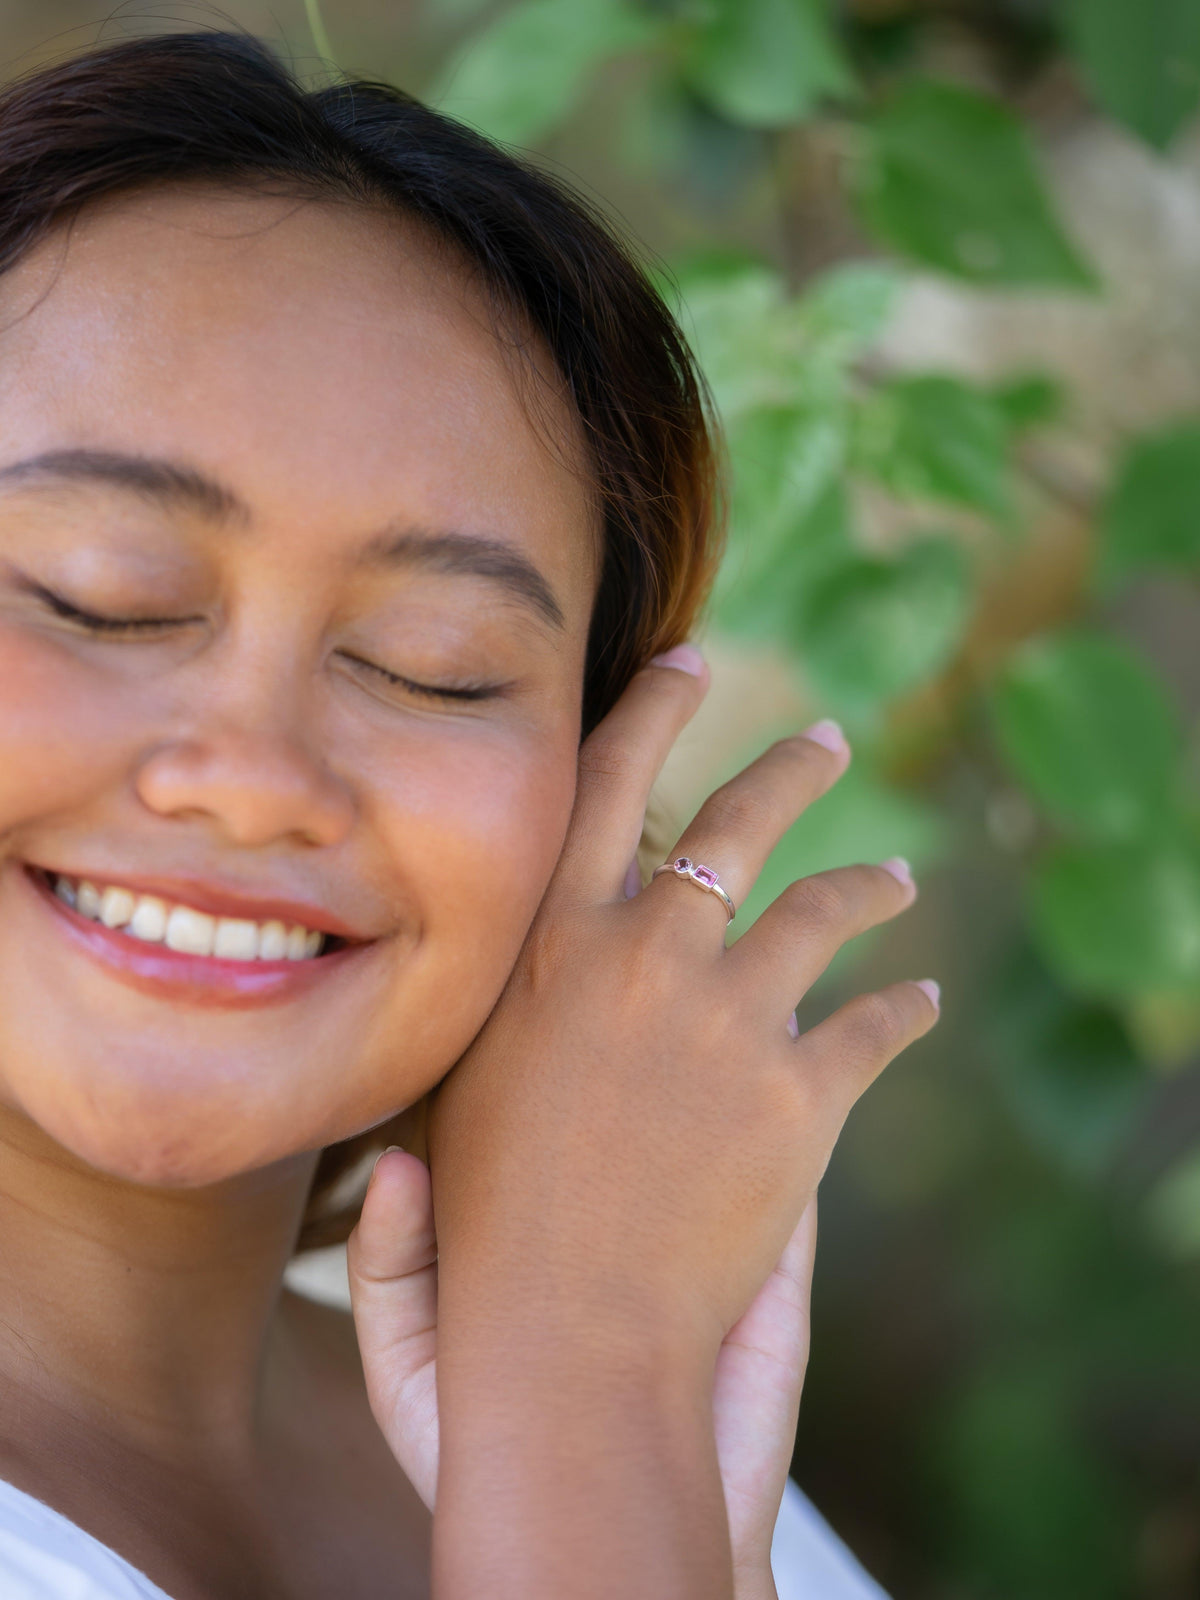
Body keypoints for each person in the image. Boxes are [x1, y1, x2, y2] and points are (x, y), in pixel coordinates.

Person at [0, 29, 939, 1600]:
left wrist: (585, 1383)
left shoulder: (690, 1461)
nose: (251, 775)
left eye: (431, 671)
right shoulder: (597, 1398)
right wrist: (579, 1382)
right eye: (105, 595)